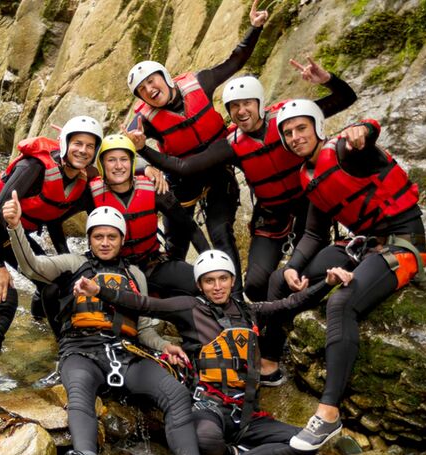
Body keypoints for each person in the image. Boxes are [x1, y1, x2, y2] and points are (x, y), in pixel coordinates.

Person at [265, 99, 426, 450]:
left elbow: (366, 137)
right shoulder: (307, 176)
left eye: (301, 128)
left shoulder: (346, 151)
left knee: (341, 303)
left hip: (401, 243)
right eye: (288, 133)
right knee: (279, 279)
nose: (295, 137)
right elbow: (313, 234)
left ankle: (328, 415)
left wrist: (365, 129)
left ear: (316, 127)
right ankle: (268, 363)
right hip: (361, 243)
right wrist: (295, 266)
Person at [74, 249, 351, 455]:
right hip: (208, 408)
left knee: (304, 442)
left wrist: (326, 283)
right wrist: (99, 291)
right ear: (200, 285)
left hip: (247, 414)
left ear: (231, 281)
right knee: (204, 440)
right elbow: (143, 303)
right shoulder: (188, 308)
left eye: (222, 279)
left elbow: (292, 302)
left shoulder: (250, 311)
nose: (217, 286)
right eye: (209, 281)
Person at [128, 57, 356, 307]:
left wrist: (327, 80)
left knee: (298, 273)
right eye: (234, 107)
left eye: (247, 104)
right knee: (255, 287)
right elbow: (185, 166)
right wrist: (146, 159)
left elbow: (344, 99)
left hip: (309, 212)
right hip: (271, 216)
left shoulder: (289, 122)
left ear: (259, 103)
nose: (241, 111)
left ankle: (296, 300)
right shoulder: (232, 145)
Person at [2, 202, 202, 455]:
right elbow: (32, 267)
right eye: (98, 236)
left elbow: (142, 330)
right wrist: (16, 227)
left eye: (111, 236)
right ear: (89, 239)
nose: (105, 242)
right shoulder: (74, 264)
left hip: (126, 355)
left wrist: (163, 345)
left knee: (175, 394)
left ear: (121, 240)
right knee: (79, 389)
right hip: (80, 352)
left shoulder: (136, 276)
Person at [125, 0, 270, 298]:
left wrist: (254, 29)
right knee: (175, 247)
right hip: (182, 180)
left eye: (153, 81)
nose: (151, 89)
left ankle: (236, 300)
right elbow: (121, 153)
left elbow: (234, 61)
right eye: (143, 89)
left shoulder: (199, 83)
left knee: (220, 233)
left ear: (164, 77)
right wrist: (147, 165)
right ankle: (177, 301)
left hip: (217, 171)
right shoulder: (143, 120)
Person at [0, 115, 103, 367]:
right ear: (65, 143)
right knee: (5, 303)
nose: (83, 150)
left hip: (14, 232)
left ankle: (44, 326)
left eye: (90, 146)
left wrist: (63, 258)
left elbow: (53, 213)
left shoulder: (80, 179)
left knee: (53, 283)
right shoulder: (34, 168)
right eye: (78, 143)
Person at [90, 134, 210, 297]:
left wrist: (210, 262)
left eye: (124, 159)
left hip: (152, 265)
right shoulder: (90, 193)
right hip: (111, 268)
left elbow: (190, 228)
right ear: (102, 164)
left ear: (132, 162)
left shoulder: (154, 189)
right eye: (111, 160)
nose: (118, 166)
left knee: (203, 284)